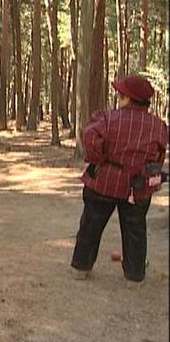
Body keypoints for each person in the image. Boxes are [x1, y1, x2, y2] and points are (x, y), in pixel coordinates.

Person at [70, 74, 168, 287]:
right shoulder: (158, 125)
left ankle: (81, 267)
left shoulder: (108, 118)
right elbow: (160, 154)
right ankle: (134, 276)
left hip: (104, 181)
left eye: (120, 94)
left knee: (91, 224)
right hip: (138, 186)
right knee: (135, 230)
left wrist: (98, 159)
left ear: (126, 98)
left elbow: (89, 136)